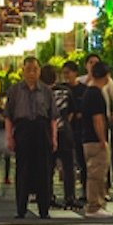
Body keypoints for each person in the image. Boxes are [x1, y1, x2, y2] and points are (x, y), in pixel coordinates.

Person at [5, 56, 57, 218]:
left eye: (35, 69)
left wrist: (54, 138)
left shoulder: (46, 91)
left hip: (42, 130)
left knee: (44, 171)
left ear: (39, 71)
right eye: (28, 70)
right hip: (23, 130)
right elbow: (8, 116)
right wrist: (9, 137)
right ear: (23, 71)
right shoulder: (14, 90)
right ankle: (21, 209)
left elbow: (53, 117)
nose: (32, 73)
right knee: (23, 170)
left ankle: (44, 209)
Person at [76, 63, 113, 217]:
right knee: (97, 173)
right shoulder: (96, 94)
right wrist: (102, 139)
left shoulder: (88, 92)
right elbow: (97, 119)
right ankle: (94, 205)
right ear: (106, 76)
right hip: (94, 140)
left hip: (87, 138)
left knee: (95, 172)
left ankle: (97, 204)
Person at [49, 61, 80, 209]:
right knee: (68, 167)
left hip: (49, 133)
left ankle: (48, 195)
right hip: (65, 132)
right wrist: (65, 122)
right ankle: (70, 197)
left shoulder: (44, 92)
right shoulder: (66, 92)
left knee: (49, 166)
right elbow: (73, 111)